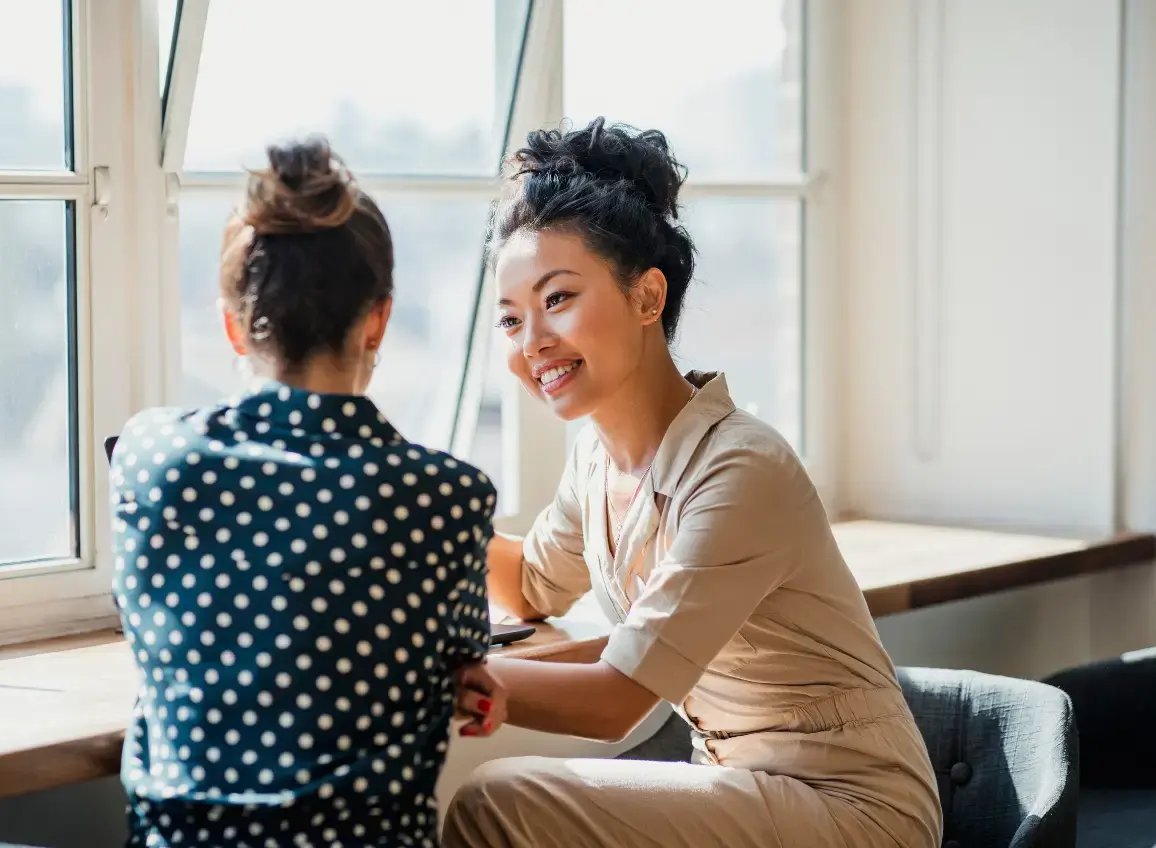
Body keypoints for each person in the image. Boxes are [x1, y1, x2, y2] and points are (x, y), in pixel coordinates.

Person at [442, 118, 942, 848]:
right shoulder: (596, 460)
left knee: (496, 800)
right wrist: (406, 507)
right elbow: (532, 586)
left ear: (648, 299)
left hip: (855, 807)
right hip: (738, 785)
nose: (532, 344)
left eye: (557, 300)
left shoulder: (741, 468)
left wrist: (441, 674)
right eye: (510, 319)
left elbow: (618, 699)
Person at [111, 138, 505, 848]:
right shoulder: (447, 497)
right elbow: (461, 664)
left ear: (234, 326)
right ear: (378, 318)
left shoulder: (148, 456)